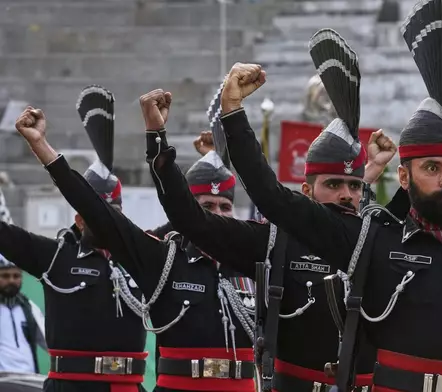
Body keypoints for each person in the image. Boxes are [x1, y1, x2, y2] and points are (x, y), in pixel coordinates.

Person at [143, 28, 442, 392]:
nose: (348, 195)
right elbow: (198, 219)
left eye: (355, 186)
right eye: (333, 185)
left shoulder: (379, 237)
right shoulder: (277, 240)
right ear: (307, 191)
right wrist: (166, 145)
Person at [15, 98, 257, 392]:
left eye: (225, 206)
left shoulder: (253, 259)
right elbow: (97, 210)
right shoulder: (162, 259)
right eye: (207, 206)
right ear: (190, 211)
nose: (218, 214)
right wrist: (42, 148)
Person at [1, 86, 148, 392]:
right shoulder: (55, 256)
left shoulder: (143, 255)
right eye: (98, 214)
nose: (108, 221)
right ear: (79, 219)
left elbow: (193, 223)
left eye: (113, 213)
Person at [0, 256, 46, 374]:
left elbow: (50, 343)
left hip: (28, 378)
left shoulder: (29, 307)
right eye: (5, 276)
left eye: (16, 276)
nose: (11, 280)